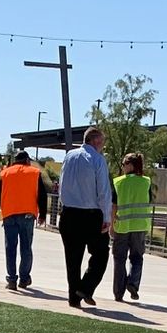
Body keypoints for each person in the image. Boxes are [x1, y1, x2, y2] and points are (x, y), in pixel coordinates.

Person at [58, 126, 113, 308]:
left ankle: (74, 297)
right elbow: (104, 192)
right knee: (101, 254)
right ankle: (85, 287)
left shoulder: (69, 156)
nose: (103, 146)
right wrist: (107, 217)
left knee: (72, 259)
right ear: (96, 141)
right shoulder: (97, 159)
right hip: (90, 215)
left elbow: (62, 186)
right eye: (102, 142)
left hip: (69, 213)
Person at [0, 149, 47, 290]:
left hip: (9, 215)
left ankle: (12, 280)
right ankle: (24, 279)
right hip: (27, 215)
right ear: (27, 161)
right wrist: (43, 214)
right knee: (26, 248)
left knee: (10, 248)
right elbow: (42, 195)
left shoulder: (6, 173)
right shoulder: (34, 173)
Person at [111, 152, 155, 302]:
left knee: (119, 259)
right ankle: (133, 284)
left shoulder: (118, 182)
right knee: (137, 258)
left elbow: (114, 205)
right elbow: (149, 201)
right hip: (140, 226)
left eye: (124, 164)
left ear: (131, 165)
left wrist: (111, 224)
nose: (122, 167)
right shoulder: (146, 182)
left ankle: (118, 293)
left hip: (122, 226)